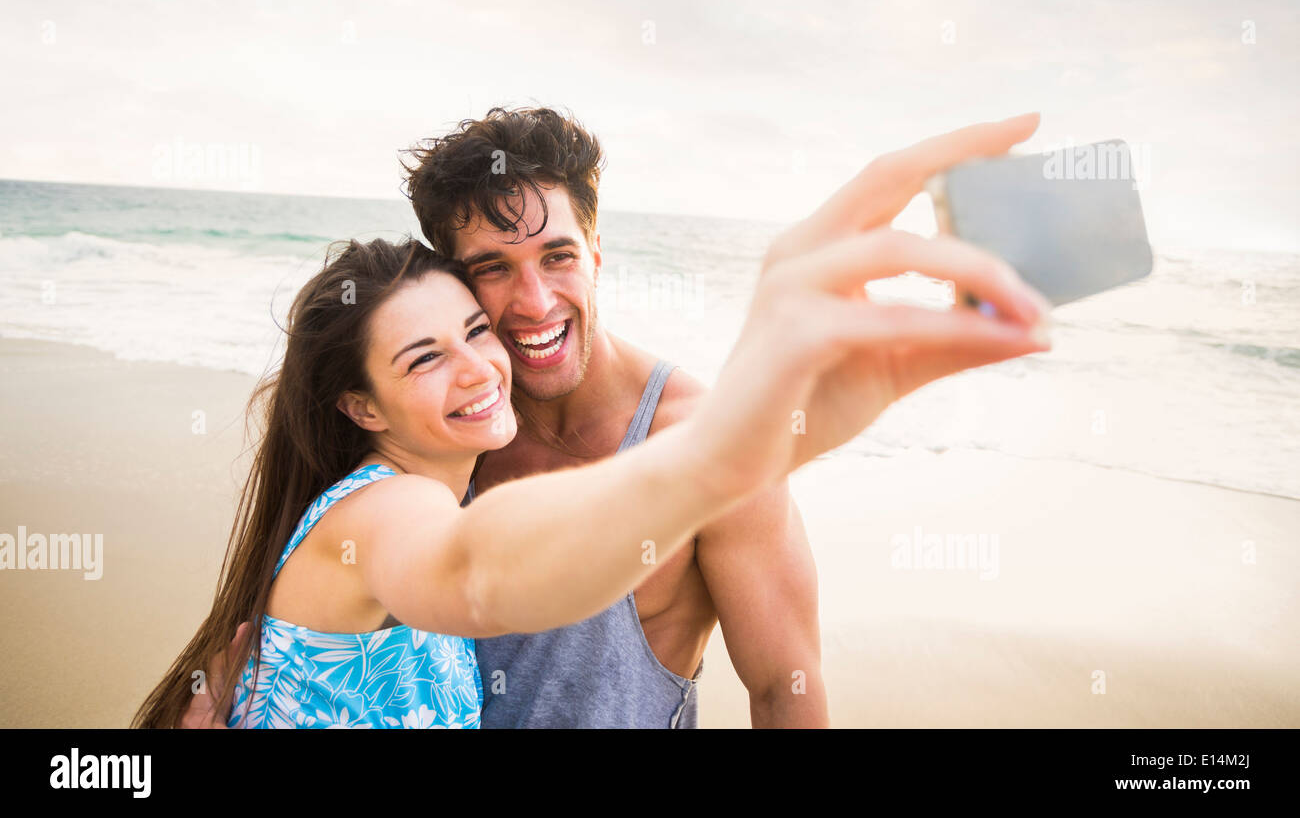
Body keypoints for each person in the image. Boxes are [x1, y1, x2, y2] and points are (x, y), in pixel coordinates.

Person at [162, 112, 1052, 729]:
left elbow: (787, 689)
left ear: (597, 253)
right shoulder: (443, 441)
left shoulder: (692, 433)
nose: (534, 300)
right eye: (492, 272)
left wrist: (717, 453)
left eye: (558, 256)